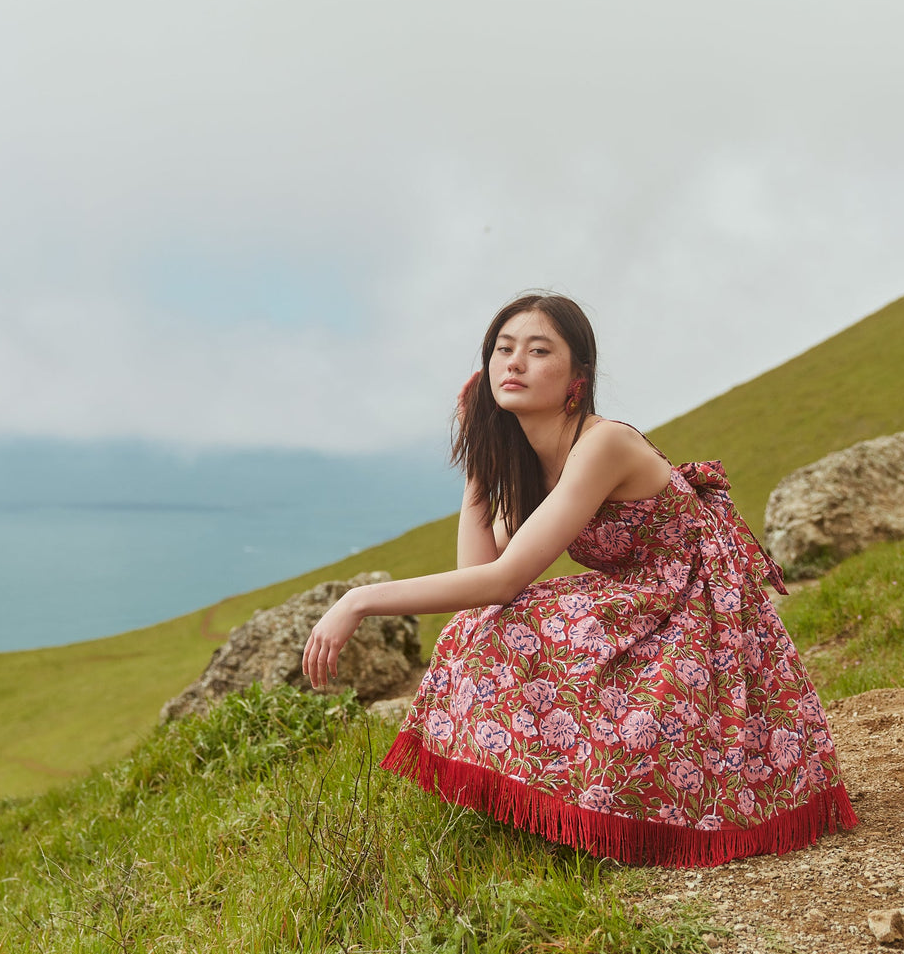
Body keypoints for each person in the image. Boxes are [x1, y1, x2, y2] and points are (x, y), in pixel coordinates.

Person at [302, 292, 856, 867]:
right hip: (644, 595)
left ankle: (602, 797)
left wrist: (360, 600)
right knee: (484, 628)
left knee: (515, 622)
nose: (514, 363)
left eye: (538, 351)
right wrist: (478, 467)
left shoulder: (603, 443)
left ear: (577, 378)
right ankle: (539, 794)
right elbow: (479, 582)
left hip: (700, 604)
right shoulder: (531, 456)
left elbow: (500, 580)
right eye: (502, 349)